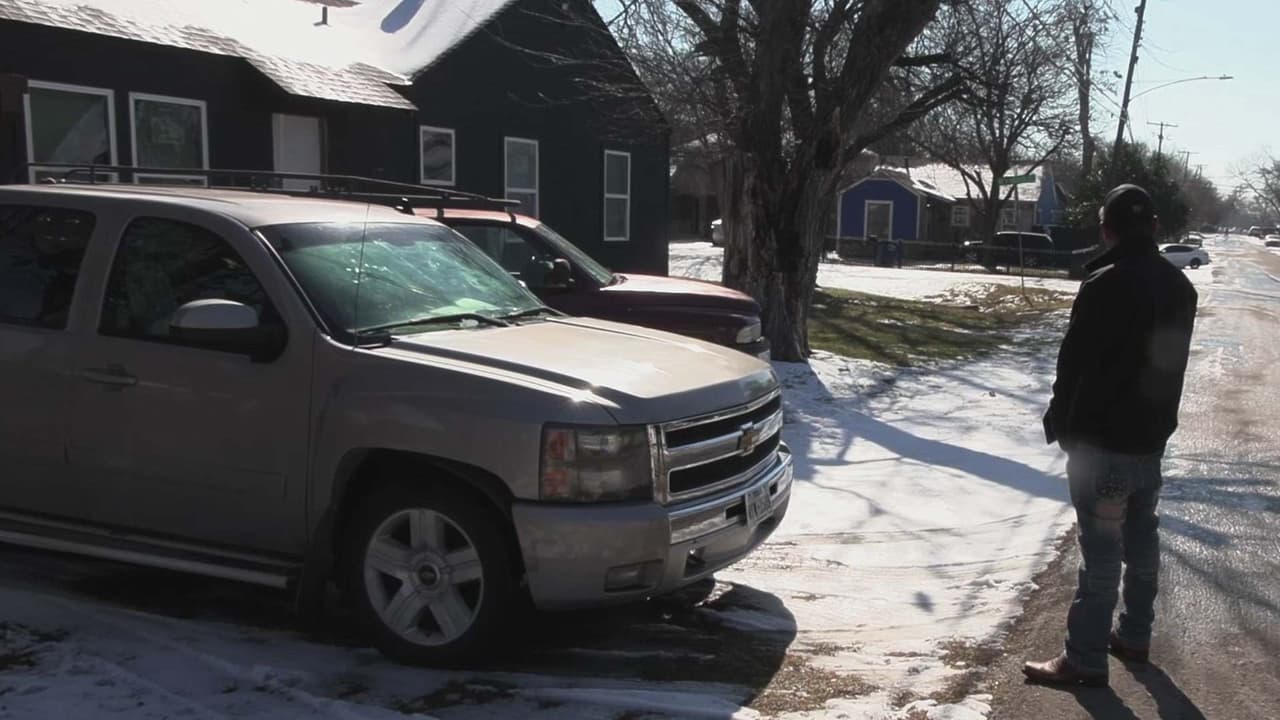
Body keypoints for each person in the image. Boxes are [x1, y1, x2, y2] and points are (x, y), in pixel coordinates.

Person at [1024, 184, 1198, 687]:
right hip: (1150, 440)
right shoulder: (1180, 287)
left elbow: (1073, 364)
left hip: (1102, 443)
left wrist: (1060, 420)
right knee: (1142, 543)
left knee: (1101, 554)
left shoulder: (1104, 284)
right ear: (1156, 229)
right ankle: (1135, 635)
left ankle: (1083, 658)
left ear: (1106, 229)